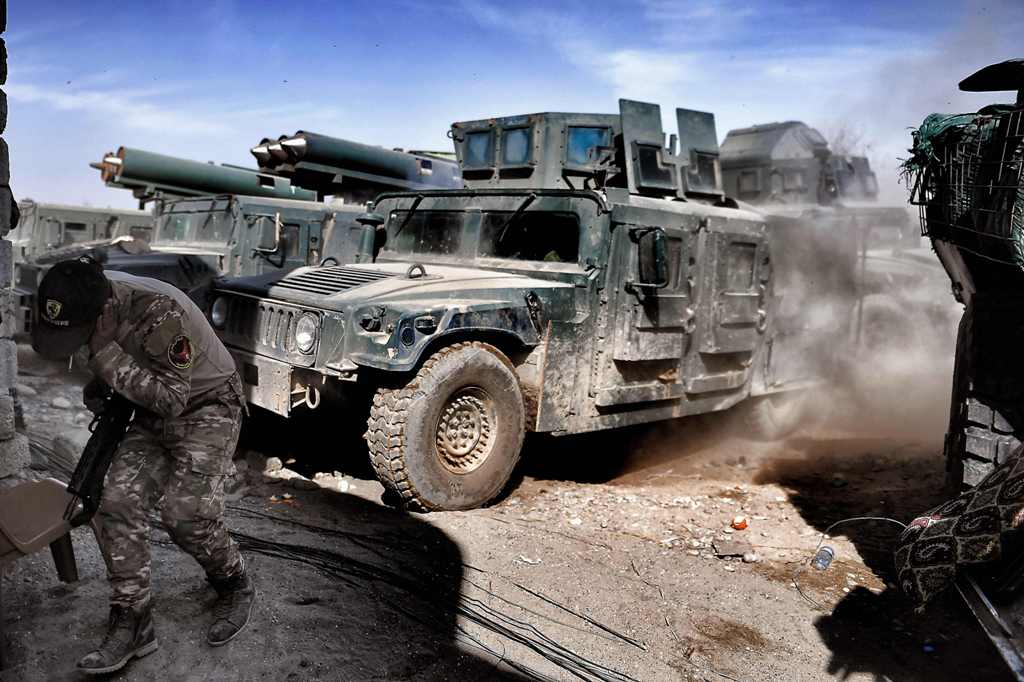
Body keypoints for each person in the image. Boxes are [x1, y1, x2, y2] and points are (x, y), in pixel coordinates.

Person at [31, 257, 255, 675]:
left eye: (84, 336)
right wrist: (101, 385)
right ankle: (133, 620)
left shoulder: (156, 311)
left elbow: (172, 398)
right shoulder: (84, 297)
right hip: (148, 408)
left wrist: (105, 359)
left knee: (185, 515)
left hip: (206, 404)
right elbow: (129, 380)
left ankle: (233, 583)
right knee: (113, 500)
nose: (80, 344)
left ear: (104, 314)